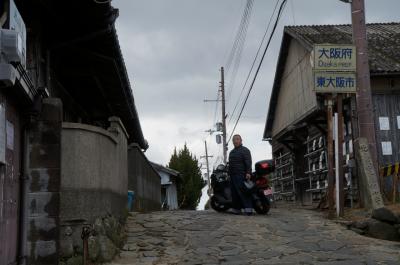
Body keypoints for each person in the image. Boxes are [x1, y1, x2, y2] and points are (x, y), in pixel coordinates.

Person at [228, 134, 253, 215]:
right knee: (234, 193)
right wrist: (229, 174)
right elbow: (230, 164)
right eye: (234, 140)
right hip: (232, 175)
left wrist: (248, 172)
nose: (236, 141)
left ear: (241, 140)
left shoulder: (245, 150)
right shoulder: (231, 152)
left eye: (237, 139)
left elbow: (248, 162)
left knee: (243, 192)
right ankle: (236, 209)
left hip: (241, 174)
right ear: (232, 142)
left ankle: (248, 210)